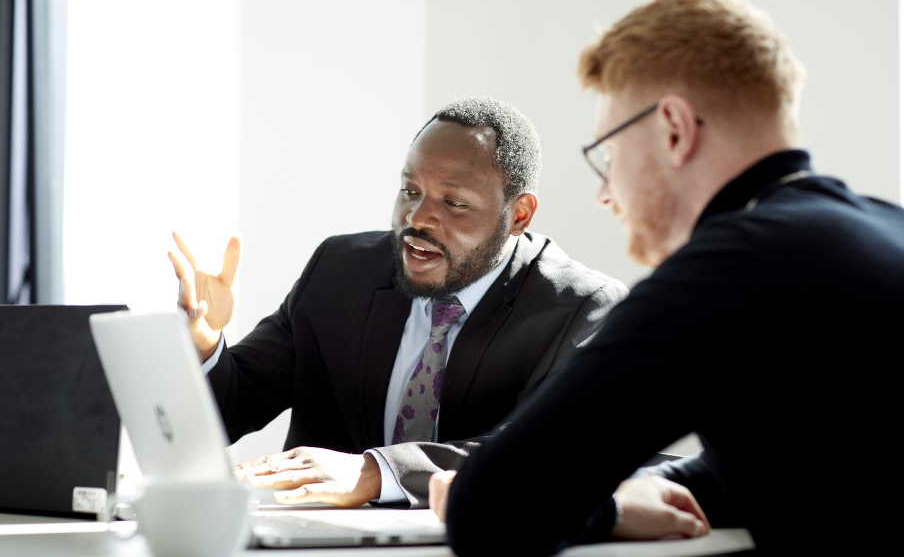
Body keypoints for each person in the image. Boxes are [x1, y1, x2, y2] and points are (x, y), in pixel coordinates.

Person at [436, 0, 904, 555]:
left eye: (607, 157)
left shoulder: (732, 267)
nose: (607, 193)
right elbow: (788, 462)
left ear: (674, 129)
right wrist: (647, 489)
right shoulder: (881, 229)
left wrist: (602, 508)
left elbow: (494, 508)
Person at [168, 97, 627, 508]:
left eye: (454, 202)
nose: (418, 217)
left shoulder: (581, 307)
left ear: (519, 214)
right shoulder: (340, 272)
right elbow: (226, 413)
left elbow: (550, 450)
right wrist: (207, 344)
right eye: (410, 191)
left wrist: (377, 471)